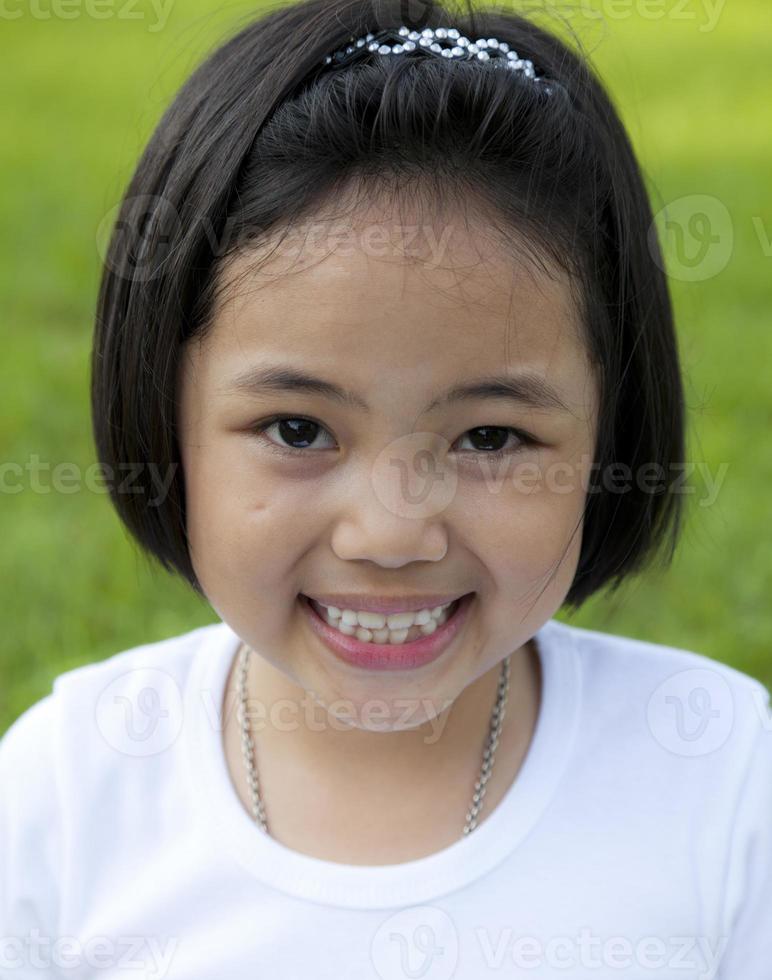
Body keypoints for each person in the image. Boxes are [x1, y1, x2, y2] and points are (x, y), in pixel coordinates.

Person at [2, 0, 770, 976]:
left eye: (491, 435)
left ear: (607, 430)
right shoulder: (68, 794)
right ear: (164, 415)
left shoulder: (719, 777)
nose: (391, 530)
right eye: (298, 429)